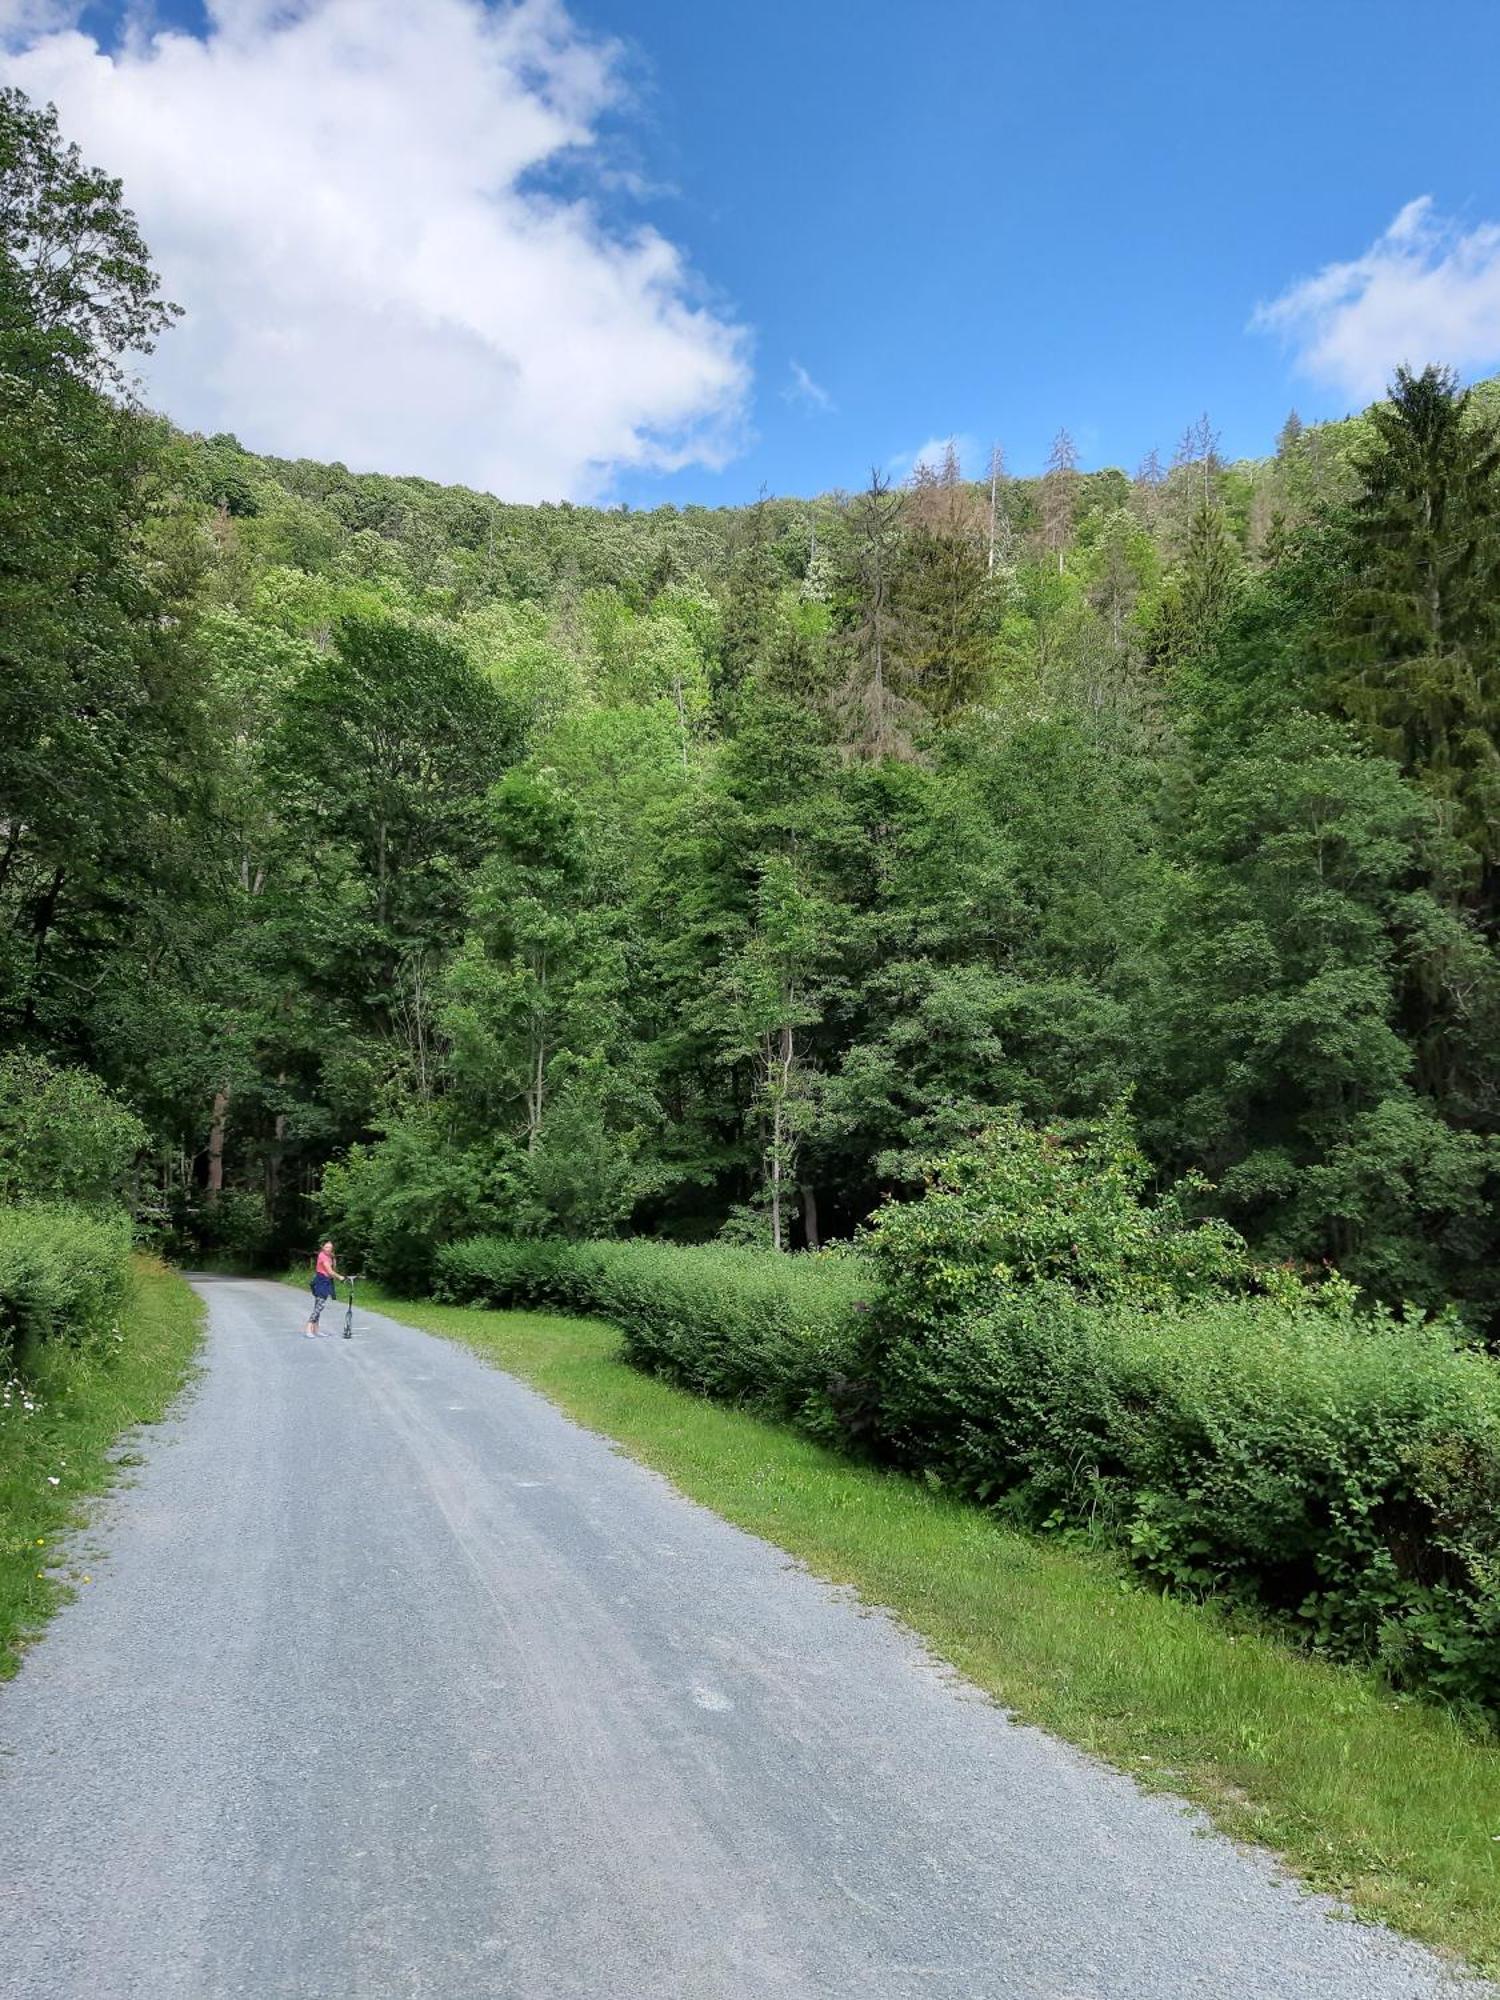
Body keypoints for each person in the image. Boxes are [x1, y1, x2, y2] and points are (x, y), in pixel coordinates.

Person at [305, 1240, 344, 1338]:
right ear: (323, 1247)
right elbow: (329, 1271)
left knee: (318, 1305)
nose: (328, 1249)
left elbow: (331, 1271)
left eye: (330, 1247)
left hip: (326, 1282)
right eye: (326, 1247)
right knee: (319, 1306)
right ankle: (308, 1329)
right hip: (321, 1282)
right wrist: (339, 1277)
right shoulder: (322, 1256)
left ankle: (316, 1330)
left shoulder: (329, 1257)